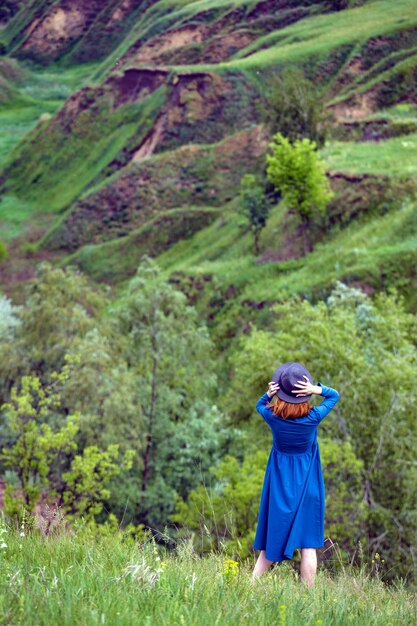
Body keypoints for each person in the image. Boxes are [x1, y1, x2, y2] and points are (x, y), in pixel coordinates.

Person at [251, 362, 339, 588]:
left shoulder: (273, 418)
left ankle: (249, 587)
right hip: (308, 485)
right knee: (308, 546)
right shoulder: (313, 418)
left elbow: (260, 405)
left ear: (279, 393)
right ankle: (307, 598)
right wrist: (316, 389)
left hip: (280, 486)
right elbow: (334, 396)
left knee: (272, 541)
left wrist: (268, 394)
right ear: (304, 394)